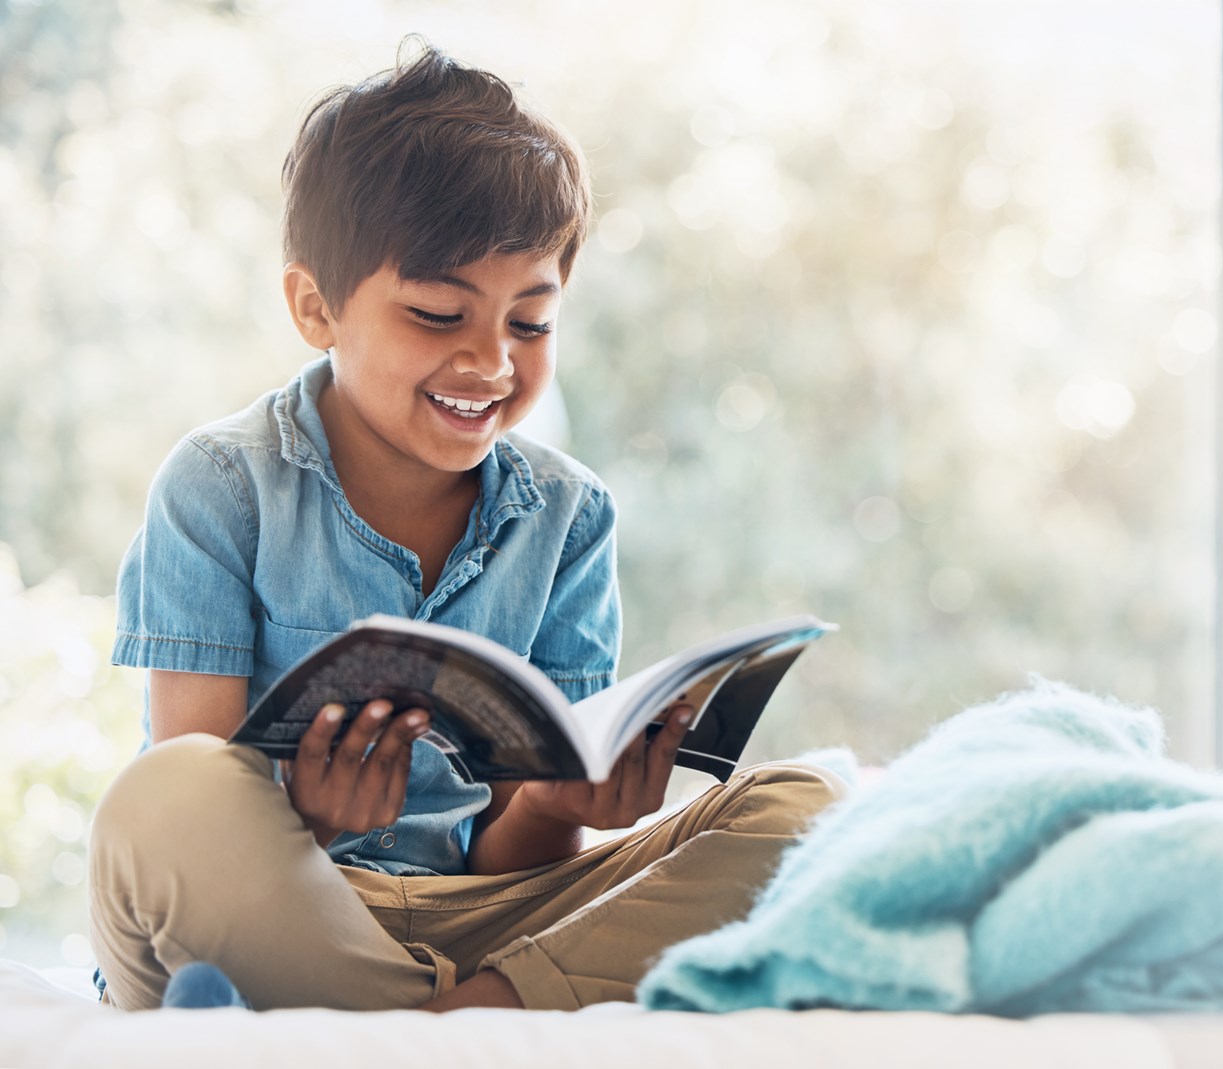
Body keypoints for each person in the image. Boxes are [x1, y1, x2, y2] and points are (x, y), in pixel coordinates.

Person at [87, 40, 846, 1013]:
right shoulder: (222, 483)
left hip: (479, 916)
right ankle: (461, 1018)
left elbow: (512, 860)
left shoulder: (570, 515)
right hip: (273, 903)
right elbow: (195, 788)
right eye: (440, 314)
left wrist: (559, 802)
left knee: (812, 805)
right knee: (171, 792)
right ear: (315, 307)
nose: (490, 361)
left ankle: (436, 1015)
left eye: (529, 323)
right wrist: (306, 820)